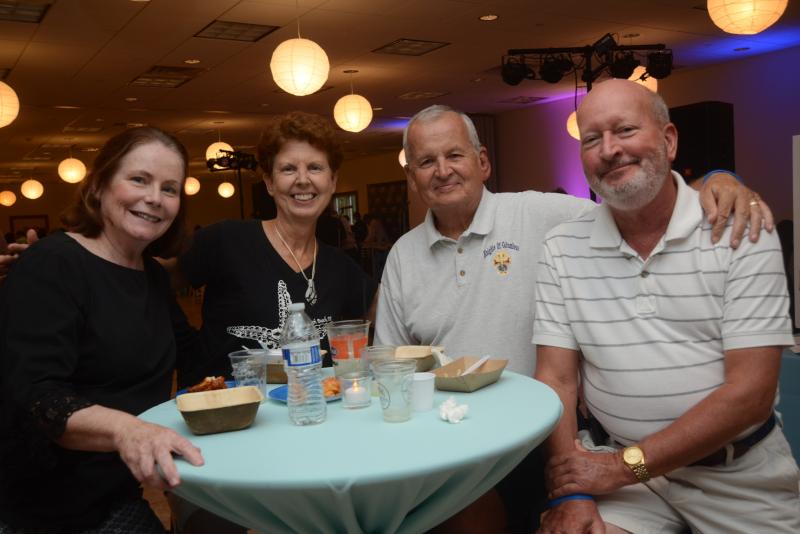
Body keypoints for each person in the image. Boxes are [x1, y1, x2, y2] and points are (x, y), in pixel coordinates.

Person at [374, 104, 773, 533]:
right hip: (454, 445)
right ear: (411, 177)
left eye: (454, 155)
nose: (442, 171)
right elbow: (388, 366)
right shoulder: (402, 256)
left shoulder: (541, 215)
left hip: (537, 439)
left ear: (483, 162)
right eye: (426, 162)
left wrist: (715, 180)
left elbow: (641, 203)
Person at [533, 79, 799, 533]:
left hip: (739, 478)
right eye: (592, 139)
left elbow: (751, 396)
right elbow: (556, 380)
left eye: (625, 130)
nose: (609, 149)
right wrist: (573, 492)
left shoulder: (742, 231)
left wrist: (623, 467)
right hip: (623, 477)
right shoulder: (561, 247)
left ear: (669, 141)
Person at [0, 127, 204, 533]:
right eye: (139, 179)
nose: (155, 198)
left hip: (112, 494)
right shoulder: (53, 264)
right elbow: (38, 396)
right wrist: (129, 430)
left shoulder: (150, 275)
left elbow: (194, 354)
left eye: (169, 188)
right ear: (98, 186)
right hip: (38, 511)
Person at [174, 111, 378, 390]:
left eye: (315, 168)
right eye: (288, 169)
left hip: (308, 408)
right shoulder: (226, 240)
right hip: (224, 408)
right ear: (269, 182)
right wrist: (186, 346)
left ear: (332, 182)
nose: (303, 179)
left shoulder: (341, 267)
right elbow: (151, 283)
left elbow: (389, 310)